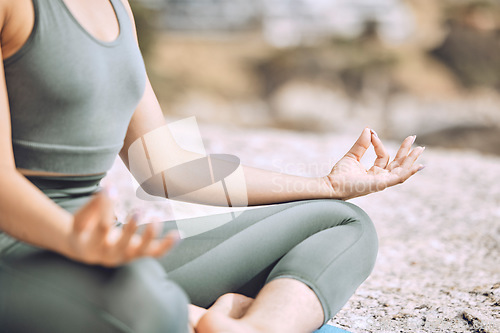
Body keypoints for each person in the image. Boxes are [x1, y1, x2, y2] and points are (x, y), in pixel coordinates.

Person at [0, 0, 425, 332]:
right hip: (20, 252)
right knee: (152, 311)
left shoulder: (118, 9)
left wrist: (328, 185)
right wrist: (77, 242)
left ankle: (252, 327)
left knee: (343, 224)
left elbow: (166, 167)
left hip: (104, 247)